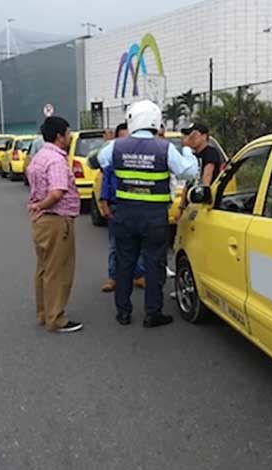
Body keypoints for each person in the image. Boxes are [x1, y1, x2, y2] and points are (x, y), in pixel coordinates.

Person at [97, 100, 199, 327]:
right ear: (155, 120)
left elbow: (96, 160)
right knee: (154, 265)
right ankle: (153, 314)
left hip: (124, 216)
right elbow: (188, 171)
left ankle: (123, 312)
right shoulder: (164, 148)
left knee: (124, 265)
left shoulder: (117, 146)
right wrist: (188, 150)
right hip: (154, 218)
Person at [25, 116, 83, 333]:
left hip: (42, 223)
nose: (69, 137)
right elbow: (57, 192)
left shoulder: (39, 157)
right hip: (57, 220)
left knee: (43, 269)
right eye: (68, 133)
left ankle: (44, 312)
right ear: (59, 136)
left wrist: (37, 207)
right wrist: (42, 205)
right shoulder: (57, 160)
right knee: (59, 271)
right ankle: (56, 317)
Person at [100, 122, 146, 293]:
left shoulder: (140, 159)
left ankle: (139, 275)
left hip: (136, 206)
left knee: (138, 242)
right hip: (117, 207)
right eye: (122, 138)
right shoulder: (110, 158)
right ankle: (113, 277)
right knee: (115, 244)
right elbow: (105, 181)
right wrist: (104, 203)